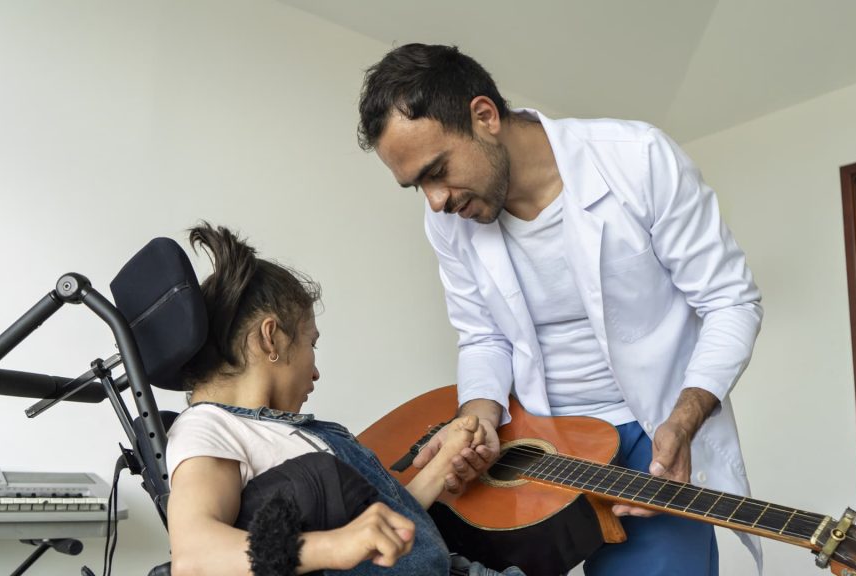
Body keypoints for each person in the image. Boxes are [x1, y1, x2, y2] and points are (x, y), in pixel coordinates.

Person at [357, 44, 764, 575]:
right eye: (418, 186)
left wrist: (684, 422)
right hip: (534, 447)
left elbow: (731, 301)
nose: (435, 201)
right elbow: (482, 336)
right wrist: (478, 420)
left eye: (438, 171)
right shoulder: (449, 220)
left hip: (652, 439)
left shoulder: (637, 158)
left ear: (485, 116)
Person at [166, 223, 520, 576]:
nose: (315, 373)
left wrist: (445, 462)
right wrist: (334, 547)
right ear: (270, 338)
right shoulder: (208, 426)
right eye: (311, 343)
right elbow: (195, 558)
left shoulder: (277, 432)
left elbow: (388, 529)